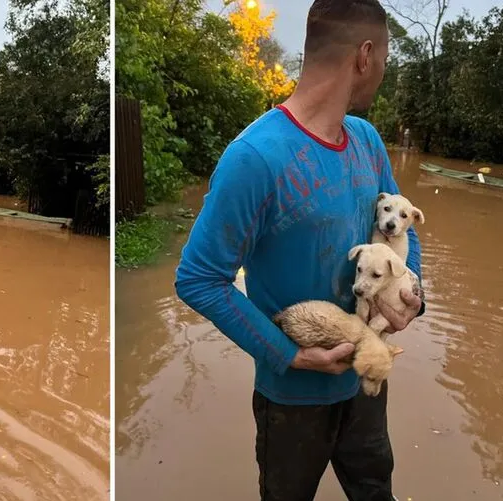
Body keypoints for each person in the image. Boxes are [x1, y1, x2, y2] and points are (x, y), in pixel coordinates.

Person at [174, 1, 424, 500]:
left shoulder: (368, 141)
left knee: (376, 490)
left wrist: (410, 291)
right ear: (365, 55)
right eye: (384, 60)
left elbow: (404, 230)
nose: (383, 72)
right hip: (292, 398)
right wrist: (290, 354)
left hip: (365, 380)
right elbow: (198, 279)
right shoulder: (254, 159)